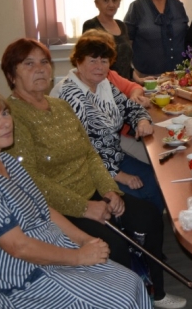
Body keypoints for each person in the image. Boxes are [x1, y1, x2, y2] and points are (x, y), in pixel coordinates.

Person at [0, 88, 156, 309]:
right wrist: (79, 257)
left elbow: (43, 207)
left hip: (50, 255)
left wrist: (85, 240)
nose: (4, 123)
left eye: (4, 113)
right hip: (20, 281)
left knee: (130, 281)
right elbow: (18, 247)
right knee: (115, 303)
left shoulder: (6, 160)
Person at [1, 38, 186, 309]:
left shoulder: (59, 107)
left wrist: (109, 189)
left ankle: (154, 292)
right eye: (28, 64)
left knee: (148, 216)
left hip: (93, 188)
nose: (39, 69)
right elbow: (29, 181)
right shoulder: (14, 117)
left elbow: (89, 153)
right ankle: (127, 308)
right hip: (58, 207)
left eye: (44, 62)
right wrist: (84, 206)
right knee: (113, 246)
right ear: (11, 74)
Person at [51, 30, 164, 213]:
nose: (99, 66)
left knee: (156, 182)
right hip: (90, 170)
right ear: (78, 61)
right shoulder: (69, 94)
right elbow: (83, 149)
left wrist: (142, 121)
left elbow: (129, 107)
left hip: (115, 156)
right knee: (141, 204)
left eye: (104, 61)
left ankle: (152, 225)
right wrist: (119, 175)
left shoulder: (103, 84)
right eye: (93, 60)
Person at [124, 0, 189, 79]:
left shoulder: (177, 5)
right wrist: (131, 71)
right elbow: (127, 40)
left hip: (178, 73)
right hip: (146, 75)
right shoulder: (136, 7)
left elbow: (185, 33)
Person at [82, 0, 134, 80]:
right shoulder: (91, 26)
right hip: (102, 84)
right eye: (106, 0)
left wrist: (138, 79)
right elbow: (89, 63)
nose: (111, 4)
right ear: (97, 3)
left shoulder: (122, 25)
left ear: (119, 3)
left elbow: (126, 63)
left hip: (125, 84)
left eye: (114, 0)